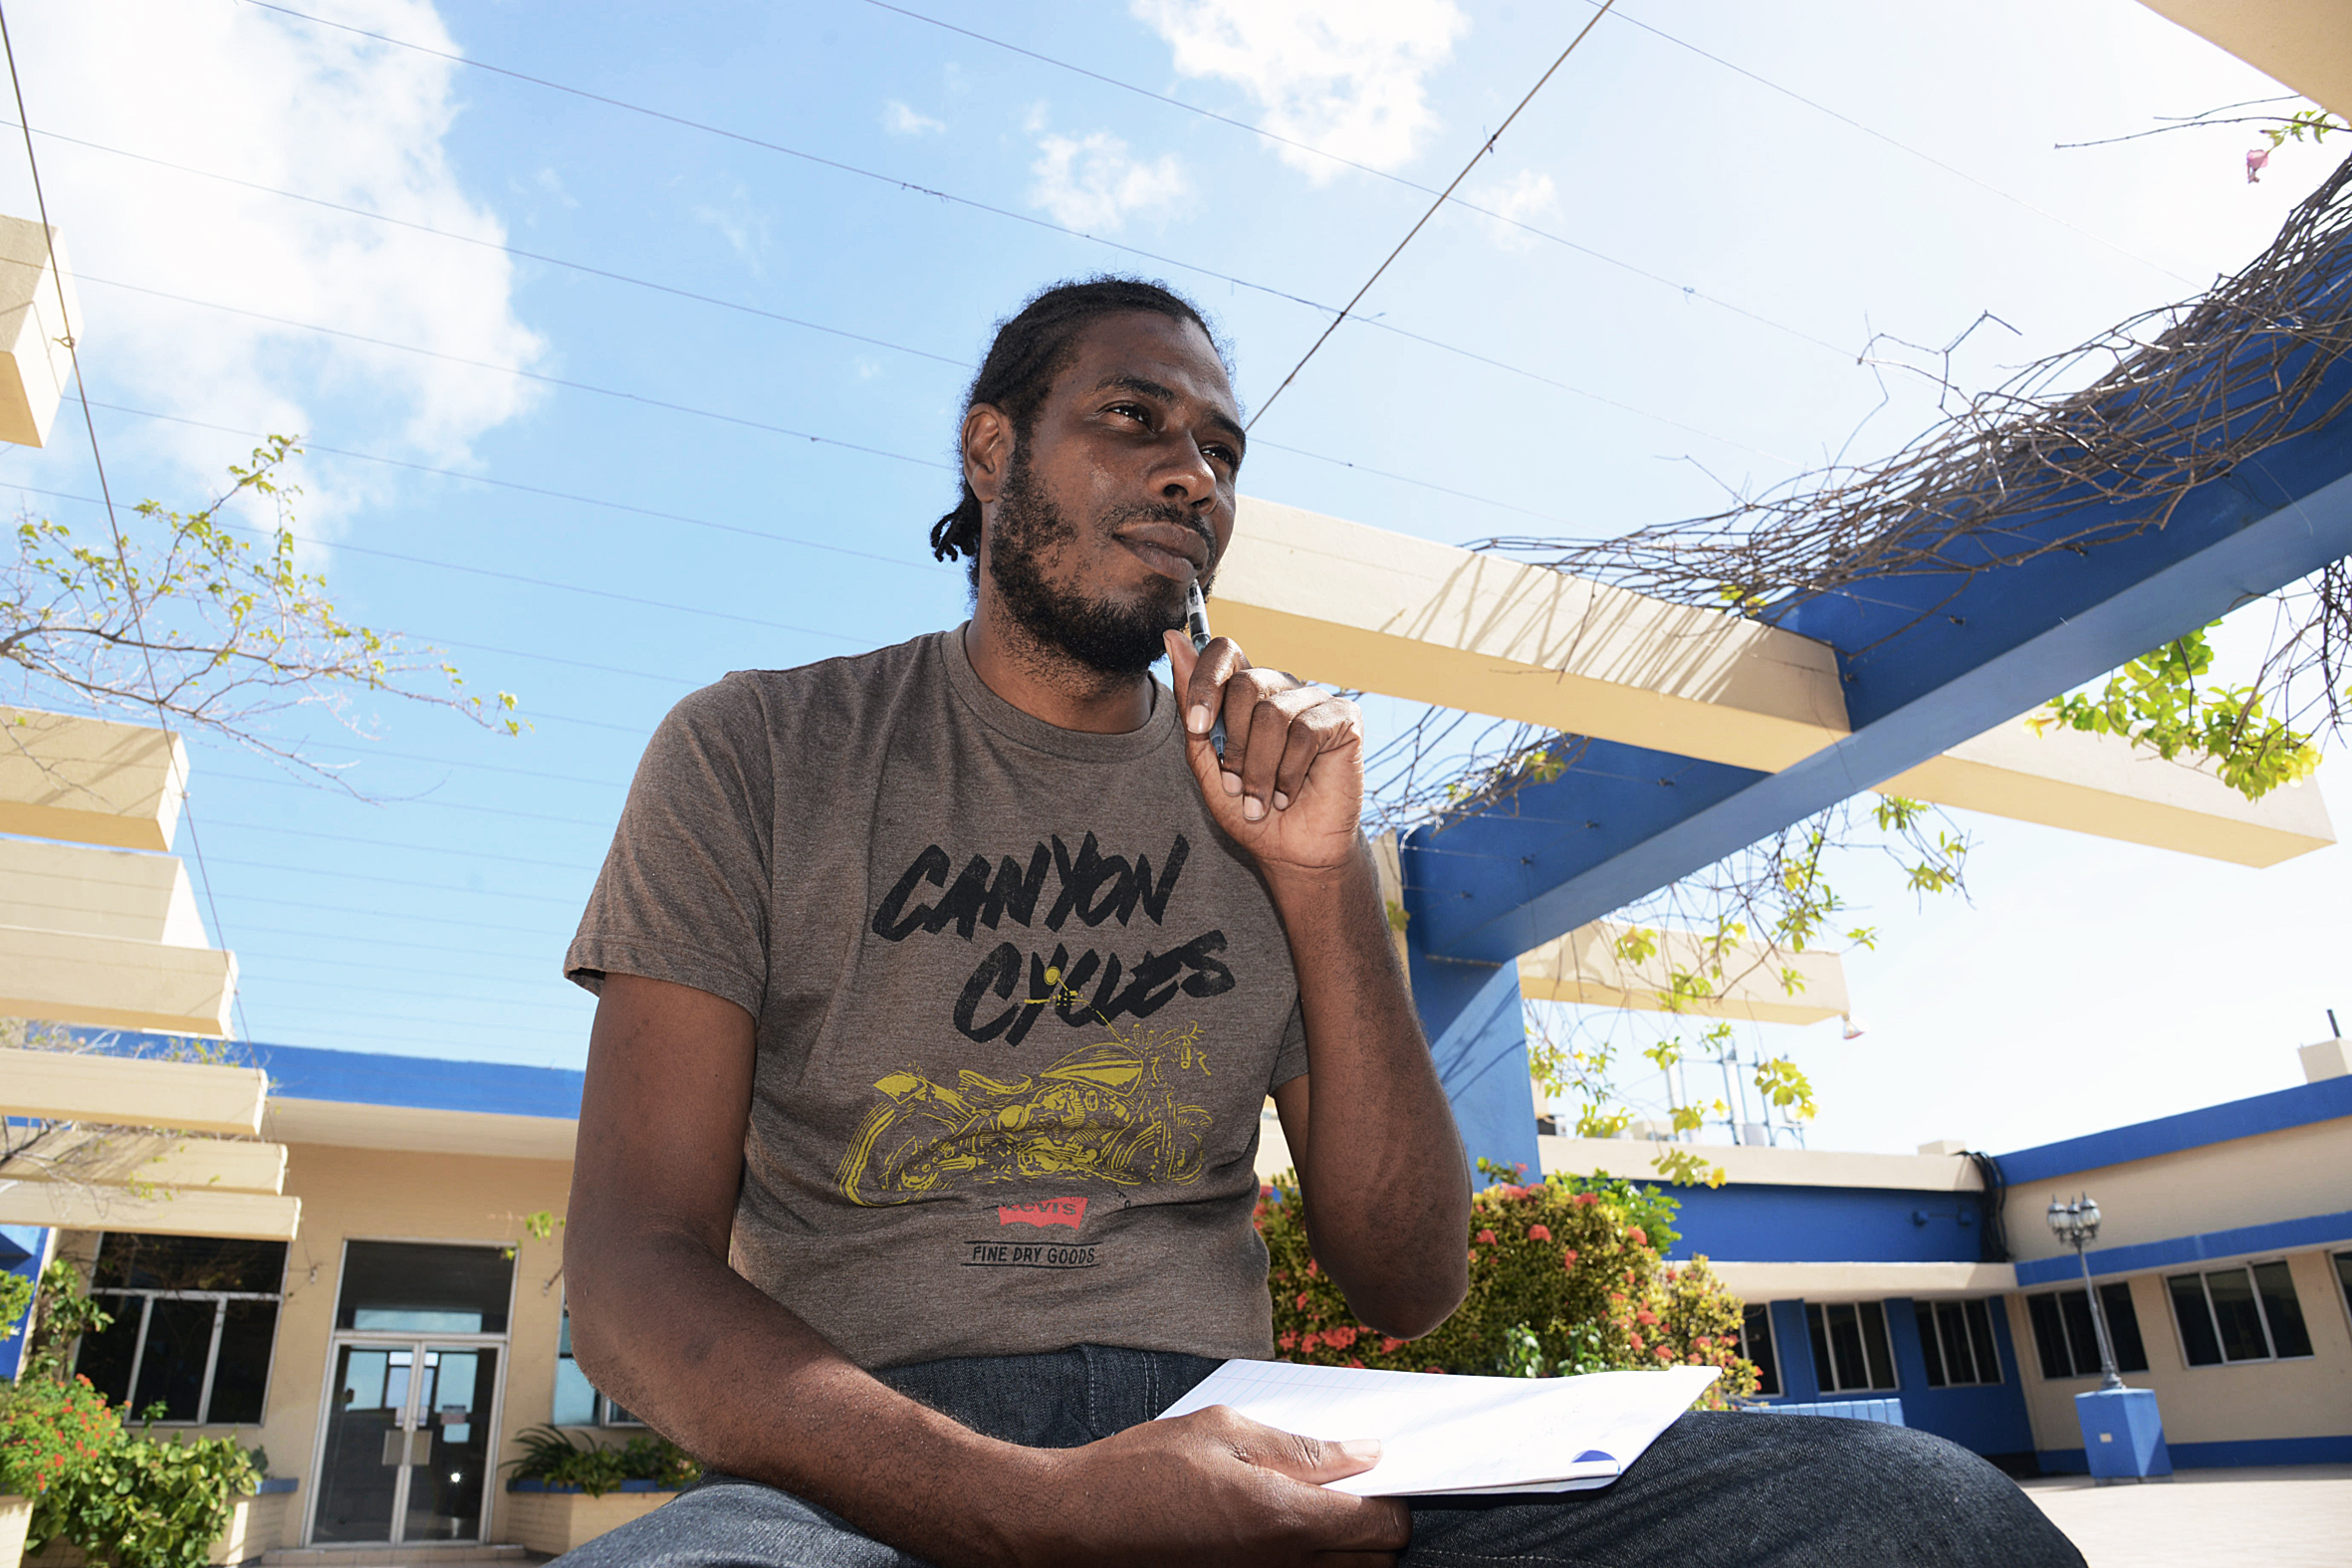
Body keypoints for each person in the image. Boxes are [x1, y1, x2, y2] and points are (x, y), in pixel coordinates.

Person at [554, 278, 2084, 1567]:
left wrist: (1321, 884)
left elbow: (1407, 1280)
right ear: (991, 446)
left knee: (1919, 1514)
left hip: (1246, 1440)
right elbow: (632, 1274)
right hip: (865, 1462)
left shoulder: (1280, 802)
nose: (1192, 477)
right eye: (1134, 418)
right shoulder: (758, 750)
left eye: (1220, 451)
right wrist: (1035, 1509)